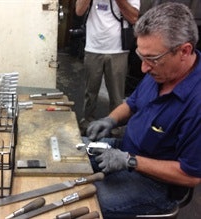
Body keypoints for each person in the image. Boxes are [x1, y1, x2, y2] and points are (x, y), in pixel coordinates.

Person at [84, 2, 201, 218]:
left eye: (152, 59)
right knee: (70, 152)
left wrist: (129, 161)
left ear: (184, 51)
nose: (144, 68)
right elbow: (132, 103)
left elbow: (191, 175)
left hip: (157, 185)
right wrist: (110, 120)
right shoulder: (161, 70)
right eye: (142, 56)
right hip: (125, 149)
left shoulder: (197, 102)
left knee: (83, 200)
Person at [75, 0, 140, 135]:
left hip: (118, 49)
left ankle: (115, 129)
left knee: (116, 94)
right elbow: (79, 11)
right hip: (93, 47)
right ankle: (87, 124)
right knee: (90, 92)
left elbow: (134, 17)